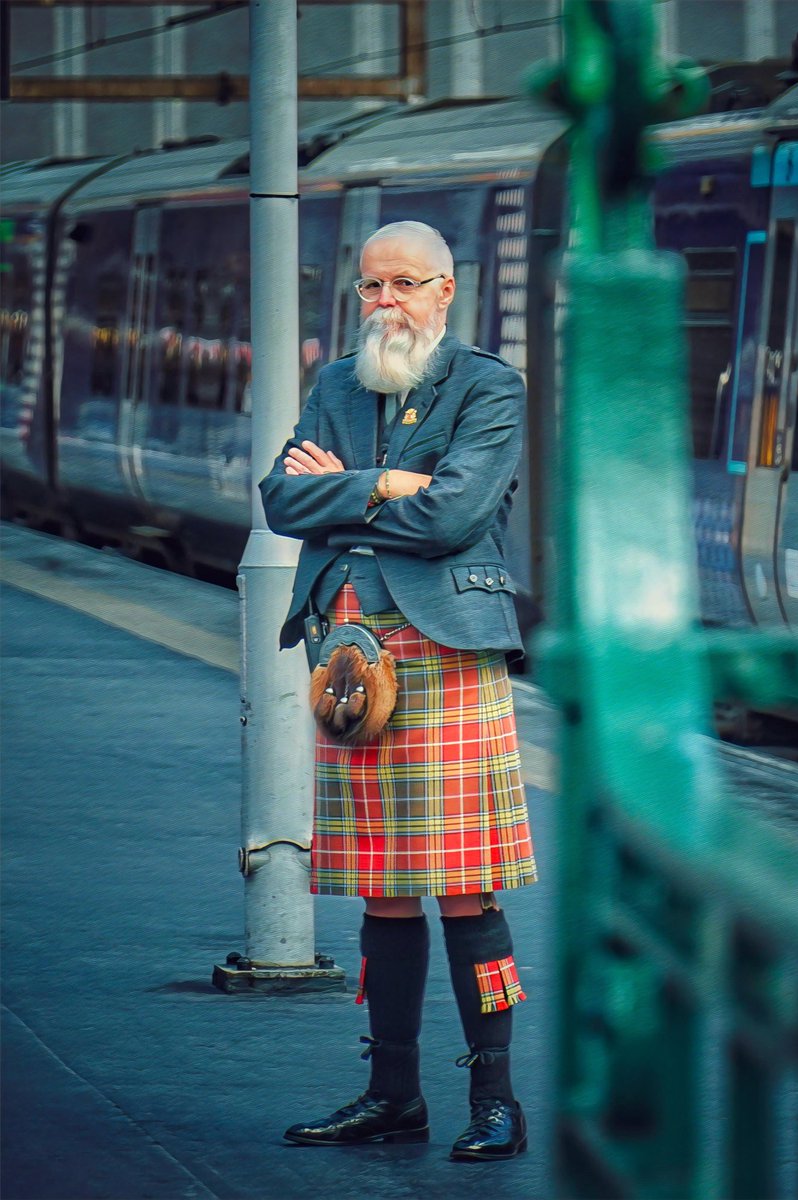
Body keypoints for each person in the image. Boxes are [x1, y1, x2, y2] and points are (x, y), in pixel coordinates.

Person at [259, 220, 537, 1162]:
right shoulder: (336, 382)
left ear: (446, 291)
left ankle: (495, 1100)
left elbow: (456, 514)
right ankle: (392, 1094)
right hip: (349, 659)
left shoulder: (490, 386)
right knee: (381, 892)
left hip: (446, 649)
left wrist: (350, 488)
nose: (385, 304)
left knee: (465, 889)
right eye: (371, 288)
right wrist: (389, 484)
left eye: (405, 285)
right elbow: (280, 499)